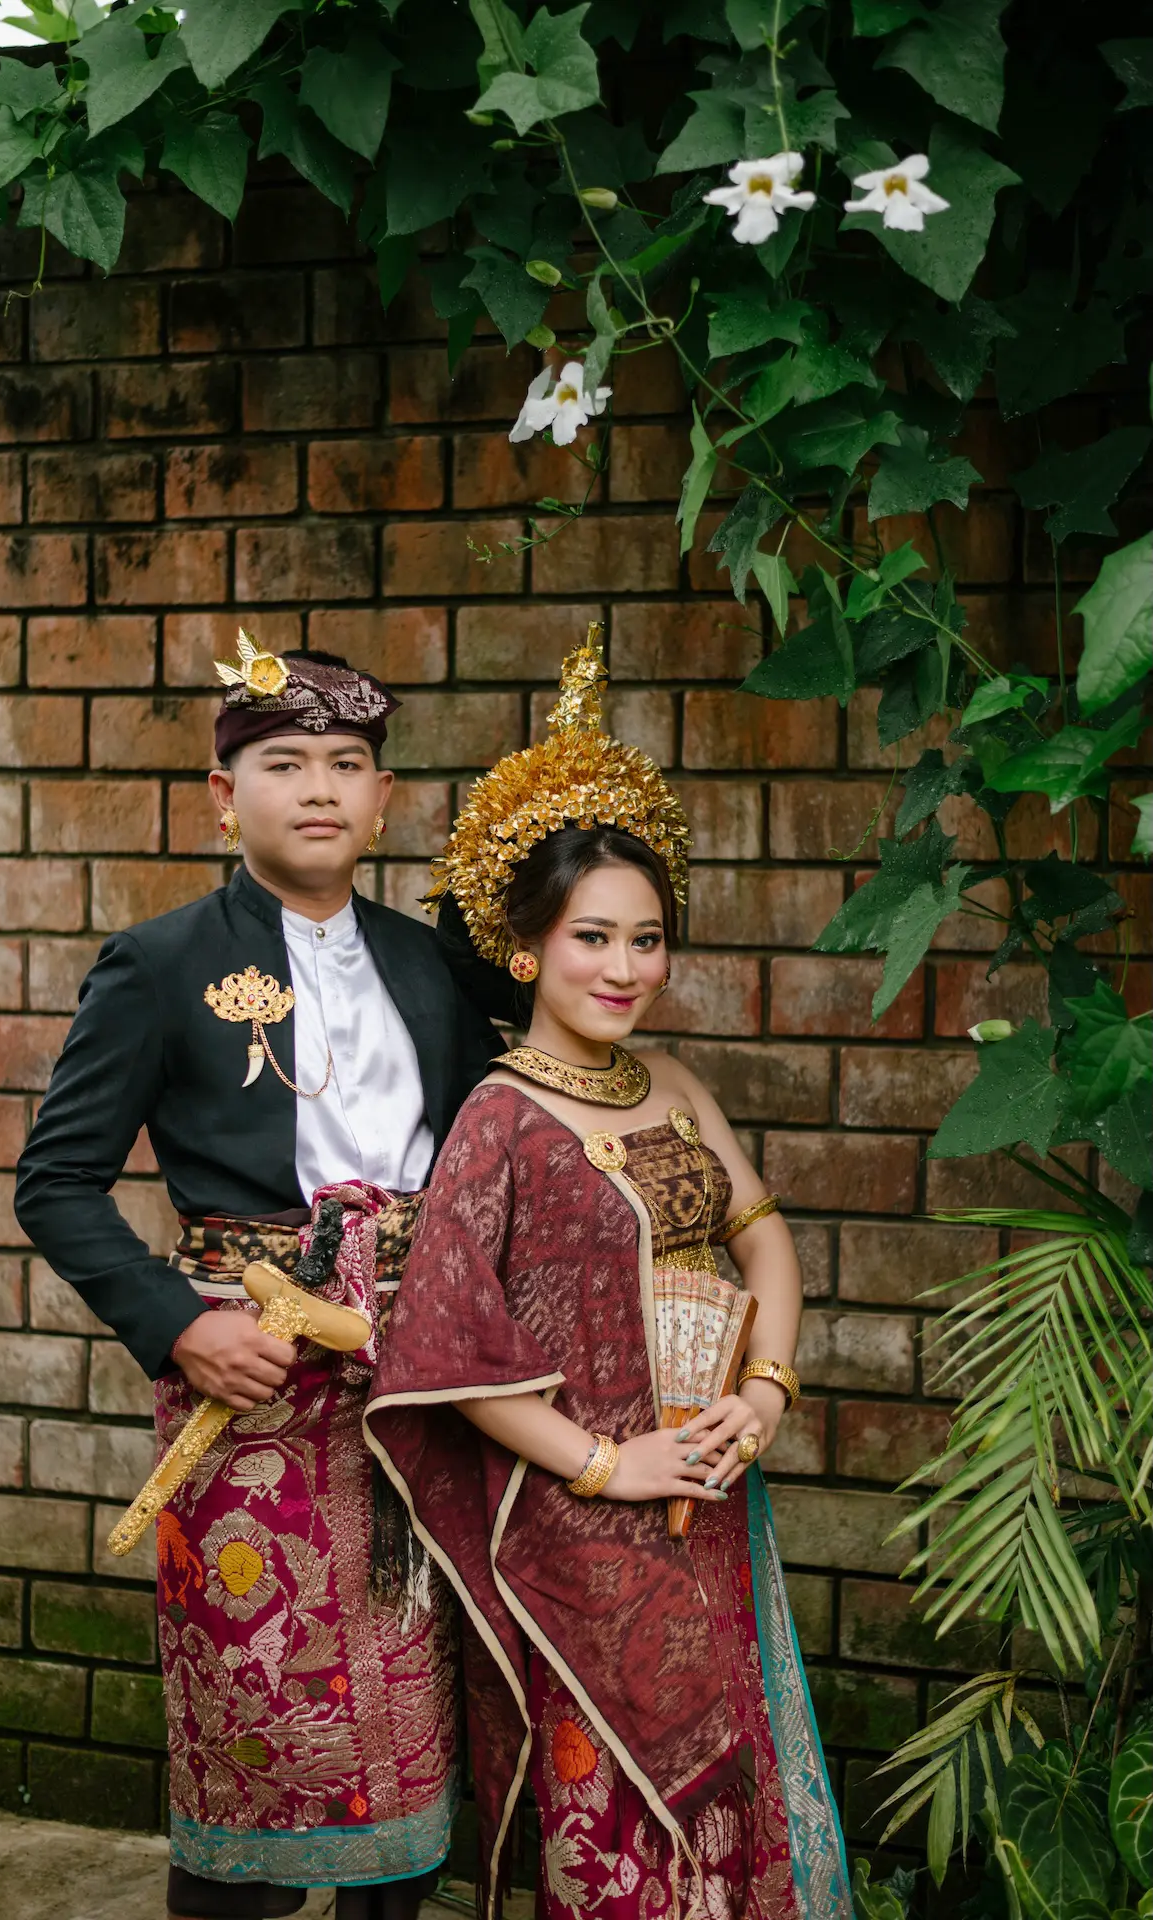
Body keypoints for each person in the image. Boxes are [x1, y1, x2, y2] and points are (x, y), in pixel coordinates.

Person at [15, 636, 510, 1920]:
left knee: (413, 1714)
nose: (319, 787)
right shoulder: (160, 963)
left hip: (420, 1381)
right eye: (283, 762)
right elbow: (54, 1181)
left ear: (384, 797)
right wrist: (181, 1325)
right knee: (262, 1717)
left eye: (347, 762)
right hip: (253, 1387)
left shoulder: (433, 965)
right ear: (224, 794)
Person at [365, 631, 852, 1920]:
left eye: (648, 938)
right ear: (526, 945)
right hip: (581, 1524)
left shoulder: (672, 1085)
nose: (626, 969)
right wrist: (604, 1464)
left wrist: (766, 1391)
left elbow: (765, 1241)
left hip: (711, 1487)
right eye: (593, 937)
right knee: (614, 1808)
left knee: (732, 1772)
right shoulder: (499, 1120)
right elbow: (445, 1355)